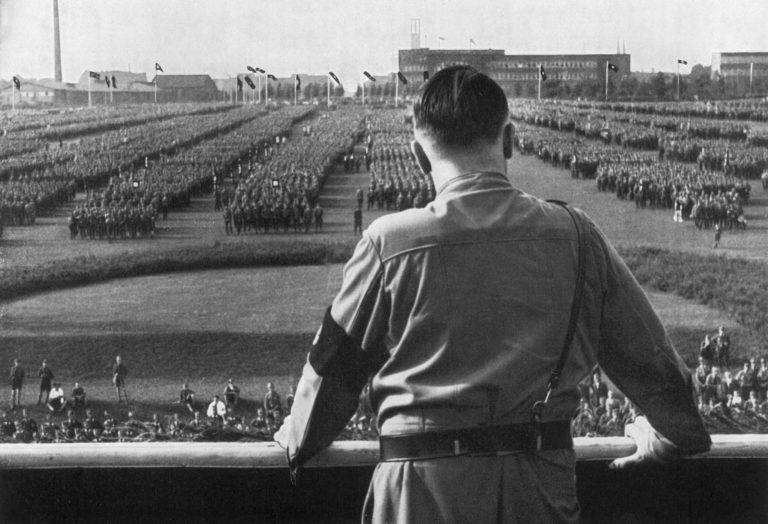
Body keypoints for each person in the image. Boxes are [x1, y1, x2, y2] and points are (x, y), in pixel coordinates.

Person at [275, 66, 710, 523]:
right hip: (539, 489)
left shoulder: (388, 243)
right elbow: (654, 363)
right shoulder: (578, 235)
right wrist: (672, 435)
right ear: (509, 140)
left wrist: (296, 437)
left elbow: (331, 372)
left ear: (419, 156)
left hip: (420, 492)